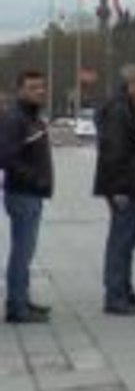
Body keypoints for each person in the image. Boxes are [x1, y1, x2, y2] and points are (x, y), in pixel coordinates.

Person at [95, 64, 135, 317]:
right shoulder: (119, 111)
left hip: (134, 185)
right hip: (124, 187)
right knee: (120, 241)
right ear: (131, 85)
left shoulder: (131, 109)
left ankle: (124, 289)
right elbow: (114, 152)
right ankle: (115, 296)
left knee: (129, 240)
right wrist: (118, 189)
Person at [0, 71, 53, 324]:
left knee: (26, 251)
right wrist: (34, 178)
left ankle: (22, 299)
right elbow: (6, 157)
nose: (39, 91)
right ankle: (17, 307)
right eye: (32, 88)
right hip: (22, 193)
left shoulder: (31, 117)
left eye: (41, 87)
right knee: (21, 252)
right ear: (20, 90)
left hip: (32, 193)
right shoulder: (15, 118)